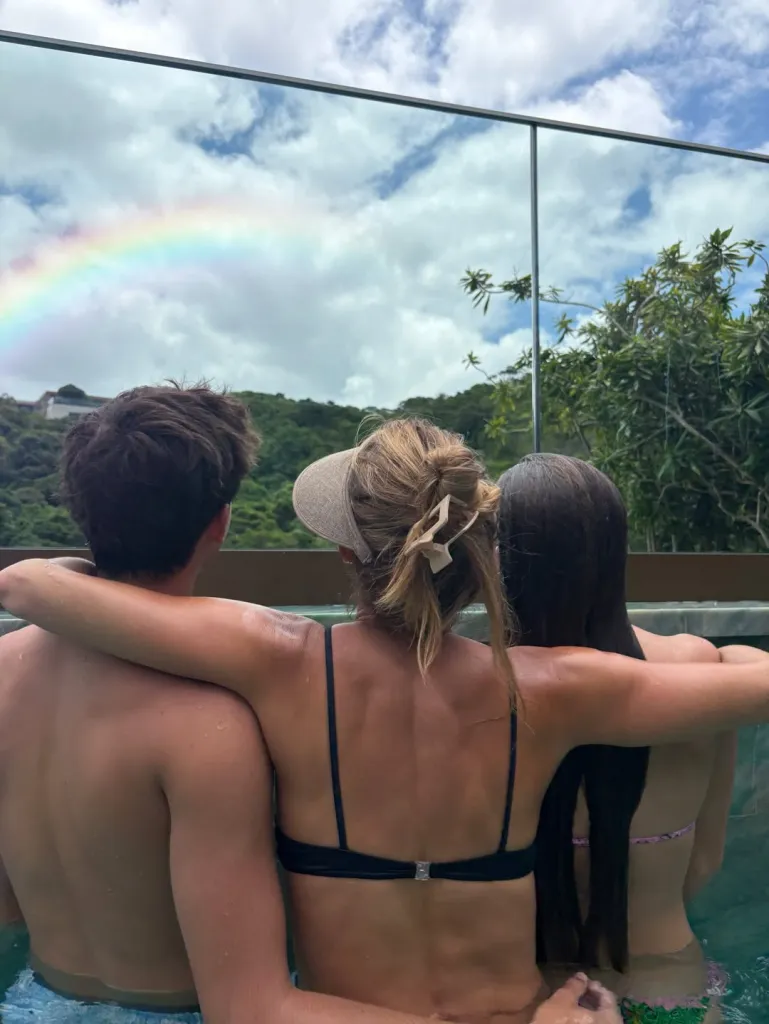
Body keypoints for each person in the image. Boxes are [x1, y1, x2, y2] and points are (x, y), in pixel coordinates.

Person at [5, 418, 769, 1023]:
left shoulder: (279, 660)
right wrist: (719, 658)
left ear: (344, 546)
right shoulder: (554, 690)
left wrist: (64, 566)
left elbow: (29, 587)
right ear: (480, 547)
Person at [0, 385, 540, 1024]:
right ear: (220, 523)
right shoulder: (209, 721)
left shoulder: (5, 672)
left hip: (32, 1001)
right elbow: (253, 1008)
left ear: (82, 506)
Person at [496, 453, 736, 1024]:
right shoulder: (697, 669)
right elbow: (706, 860)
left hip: (540, 999)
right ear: (615, 553)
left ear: (500, 560)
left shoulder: (477, 686)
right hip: (672, 988)